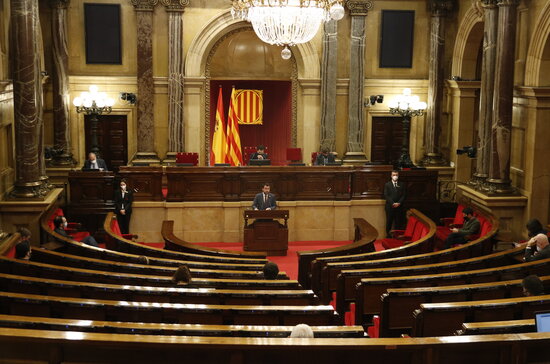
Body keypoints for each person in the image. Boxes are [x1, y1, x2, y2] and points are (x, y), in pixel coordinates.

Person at [383, 170, 406, 237]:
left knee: (398, 222)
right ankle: (388, 236)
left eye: (396, 175)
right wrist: (393, 203)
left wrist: (399, 203)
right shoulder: (387, 184)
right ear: (391, 176)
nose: (395, 176)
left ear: (398, 176)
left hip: (399, 207)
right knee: (389, 222)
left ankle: (397, 237)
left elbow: (404, 195)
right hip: (390, 207)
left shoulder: (402, 184)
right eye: (393, 175)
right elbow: (386, 195)